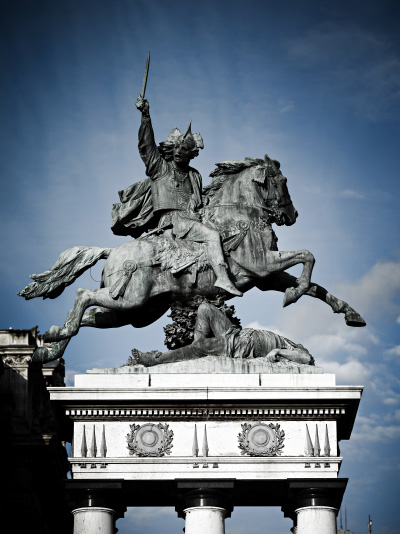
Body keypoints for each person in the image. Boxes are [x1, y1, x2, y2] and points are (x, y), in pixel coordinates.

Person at [111, 96, 242, 297]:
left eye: (185, 149)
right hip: (173, 221)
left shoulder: (194, 175)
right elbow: (146, 147)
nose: (180, 151)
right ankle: (223, 278)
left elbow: (199, 200)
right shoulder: (160, 168)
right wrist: (146, 116)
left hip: (193, 219)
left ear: (192, 154)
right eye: (178, 147)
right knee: (212, 236)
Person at [131, 302, 314, 367]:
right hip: (239, 333)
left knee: (202, 346)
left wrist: (279, 352)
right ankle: (195, 353)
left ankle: (157, 359)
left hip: (247, 346)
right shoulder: (292, 344)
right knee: (204, 308)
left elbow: (305, 358)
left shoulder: (297, 351)